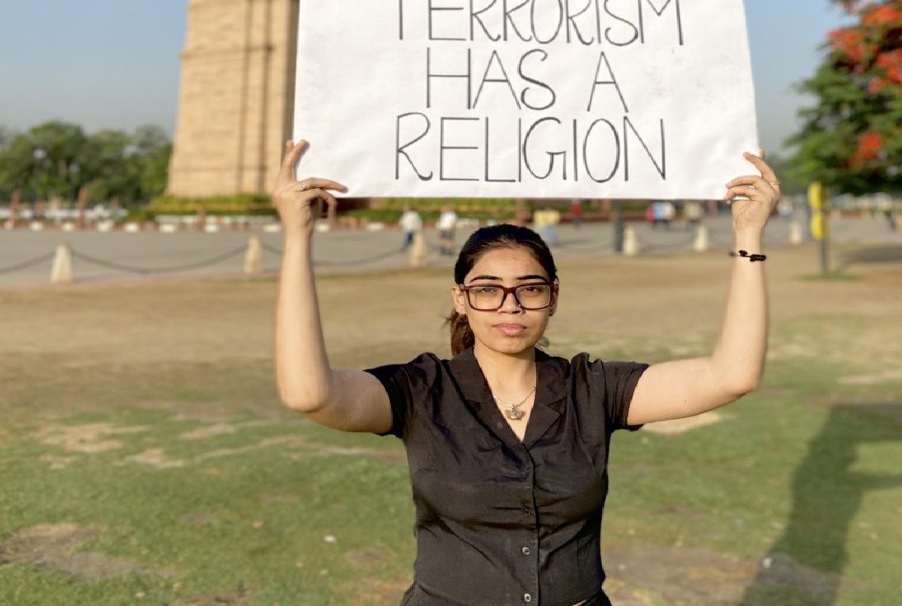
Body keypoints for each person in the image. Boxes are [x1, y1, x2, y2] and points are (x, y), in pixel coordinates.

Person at [273, 140, 780, 606]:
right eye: (488, 289)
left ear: (552, 297)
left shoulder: (594, 388)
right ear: (462, 300)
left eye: (529, 289)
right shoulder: (422, 391)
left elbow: (732, 375)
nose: (509, 306)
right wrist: (297, 239)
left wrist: (748, 235)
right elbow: (309, 394)